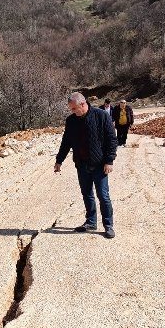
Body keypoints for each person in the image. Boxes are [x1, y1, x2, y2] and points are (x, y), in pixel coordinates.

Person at [54, 92, 118, 238]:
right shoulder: (71, 121)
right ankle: (91, 222)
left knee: (103, 195)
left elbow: (112, 140)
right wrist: (59, 160)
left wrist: (109, 160)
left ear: (83, 104)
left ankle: (108, 225)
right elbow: (66, 142)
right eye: (71, 109)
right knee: (87, 194)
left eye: (74, 109)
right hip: (81, 164)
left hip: (100, 164)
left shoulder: (101, 116)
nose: (73, 112)